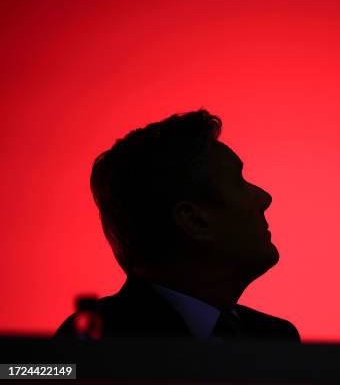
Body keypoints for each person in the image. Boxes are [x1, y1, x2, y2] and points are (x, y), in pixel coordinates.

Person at [55, 110, 300, 342]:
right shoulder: (95, 341)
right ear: (194, 220)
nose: (264, 197)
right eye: (239, 182)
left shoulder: (276, 338)